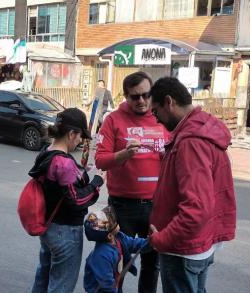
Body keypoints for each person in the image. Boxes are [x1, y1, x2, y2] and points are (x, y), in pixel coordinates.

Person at [148, 77, 236, 293]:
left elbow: (196, 208)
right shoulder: (201, 129)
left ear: (169, 102)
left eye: (156, 112)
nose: (157, 120)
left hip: (183, 249)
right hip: (198, 243)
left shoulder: (191, 142)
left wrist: (162, 239)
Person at [95, 71, 167, 293]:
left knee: (152, 264)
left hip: (156, 205)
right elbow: (100, 160)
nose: (142, 101)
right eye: (135, 97)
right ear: (125, 96)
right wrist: (122, 155)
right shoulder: (113, 120)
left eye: (146, 95)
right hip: (123, 206)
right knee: (119, 262)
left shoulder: (162, 117)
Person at [30, 108, 104, 293]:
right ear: (71, 134)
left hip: (48, 225)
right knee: (61, 285)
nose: (80, 141)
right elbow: (76, 199)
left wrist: (85, 174)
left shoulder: (46, 152)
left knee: (43, 278)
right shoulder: (63, 162)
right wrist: (97, 182)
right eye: (80, 136)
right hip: (65, 231)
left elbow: (63, 186)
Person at [83, 206, 149, 293]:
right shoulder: (101, 256)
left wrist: (150, 241)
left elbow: (133, 243)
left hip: (113, 284)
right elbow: (106, 283)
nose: (115, 221)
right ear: (109, 235)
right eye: (113, 222)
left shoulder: (118, 238)